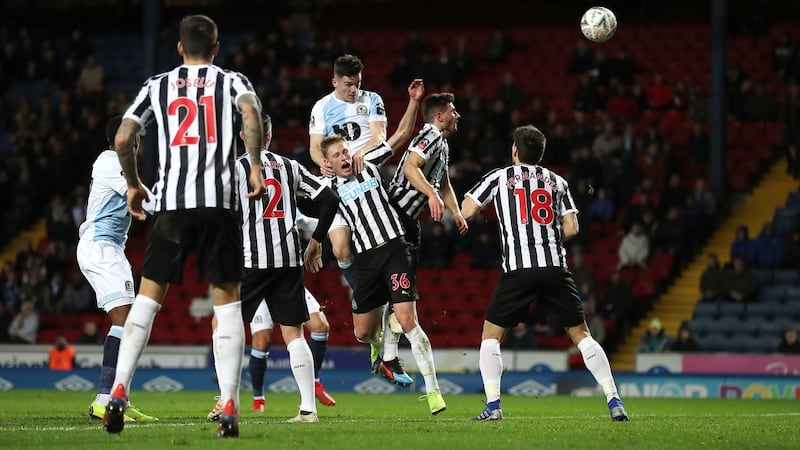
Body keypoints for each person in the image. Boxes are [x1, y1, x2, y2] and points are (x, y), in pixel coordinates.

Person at [104, 15, 265, 438]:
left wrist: (134, 184)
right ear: (216, 48)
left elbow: (123, 138)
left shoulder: (156, 85)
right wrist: (255, 165)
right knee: (227, 302)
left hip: (172, 204)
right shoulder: (232, 81)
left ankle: (119, 390)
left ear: (179, 47)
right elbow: (251, 113)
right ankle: (229, 401)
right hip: (221, 202)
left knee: (147, 299)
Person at [460, 124, 628, 422]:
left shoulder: (499, 177)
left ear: (514, 151)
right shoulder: (557, 181)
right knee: (582, 335)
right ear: (540, 153)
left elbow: (468, 210)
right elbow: (573, 228)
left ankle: (493, 406)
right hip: (554, 267)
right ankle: (614, 400)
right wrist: (546, 238)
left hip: (519, 271)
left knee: (490, 336)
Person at [207, 113, 340, 424]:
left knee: (221, 324)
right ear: (268, 136)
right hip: (289, 261)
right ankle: (308, 410)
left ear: (243, 136)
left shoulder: (236, 169)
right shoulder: (290, 166)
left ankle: (227, 401)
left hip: (252, 262)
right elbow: (330, 199)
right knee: (294, 334)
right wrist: (317, 241)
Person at [308, 134, 447, 416]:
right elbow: (300, 188)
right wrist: (315, 242)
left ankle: (433, 391)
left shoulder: (367, 163)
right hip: (367, 261)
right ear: (327, 163)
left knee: (408, 320)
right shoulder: (328, 188)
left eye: (345, 152)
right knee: (361, 333)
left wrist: (412, 101)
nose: (344, 158)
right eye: (336, 156)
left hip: (396, 249)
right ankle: (380, 347)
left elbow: (400, 138)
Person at [380, 92, 468, 381]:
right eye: (453, 111)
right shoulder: (429, 135)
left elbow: (443, 182)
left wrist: (455, 212)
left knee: (398, 294)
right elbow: (409, 166)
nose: (457, 116)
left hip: (407, 221)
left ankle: (387, 355)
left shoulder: (441, 143)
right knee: (395, 294)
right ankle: (383, 352)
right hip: (395, 216)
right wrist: (430, 194)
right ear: (439, 116)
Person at [77, 116, 157, 423]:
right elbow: (142, 196)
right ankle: (105, 399)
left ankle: (117, 397)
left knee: (133, 325)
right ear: (131, 140)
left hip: (111, 248)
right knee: (127, 322)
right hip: (100, 246)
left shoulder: (119, 165)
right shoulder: (109, 161)